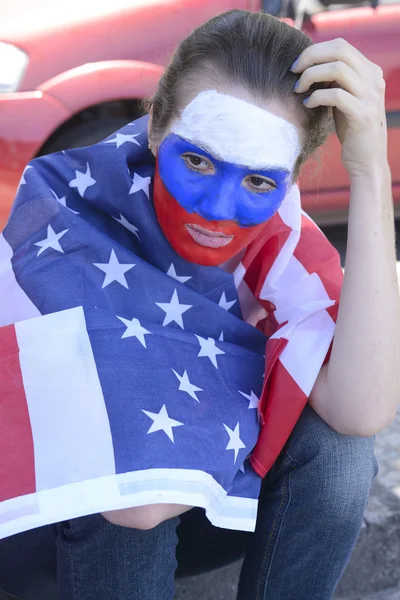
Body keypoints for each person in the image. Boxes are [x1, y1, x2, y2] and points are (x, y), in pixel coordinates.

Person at [0, 8, 399, 600]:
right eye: (196, 160)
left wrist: (369, 167)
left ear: (288, 178)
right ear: (157, 124)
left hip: (186, 496)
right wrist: (247, 390)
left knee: (339, 453)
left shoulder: (279, 231)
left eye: (261, 181)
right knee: (132, 486)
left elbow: (360, 410)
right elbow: (143, 504)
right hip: (47, 531)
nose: (218, 208)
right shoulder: (67, 209)